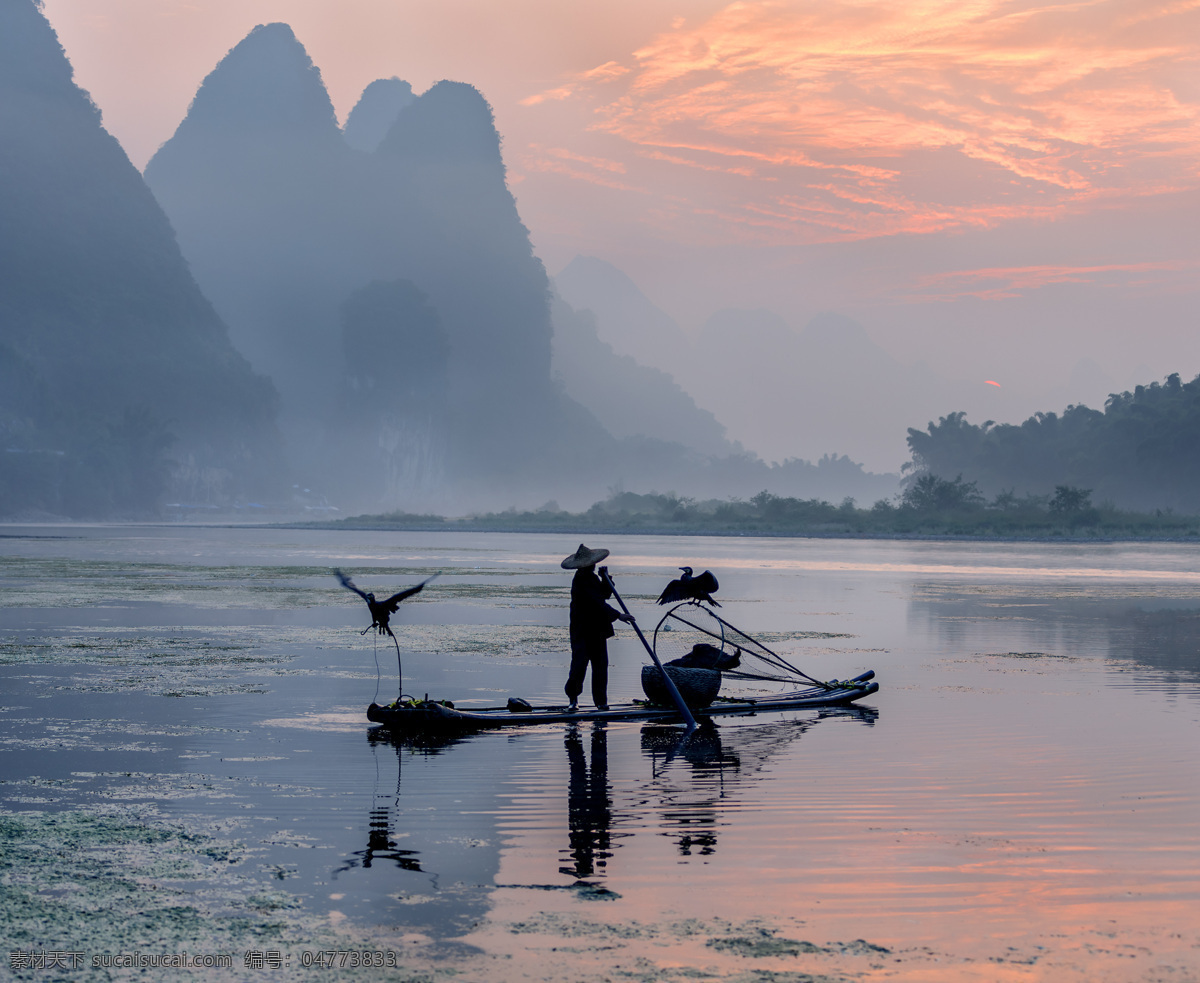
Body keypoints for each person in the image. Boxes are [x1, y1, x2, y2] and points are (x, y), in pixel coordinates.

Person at [561, 544, 632, 711]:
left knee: (600, 667)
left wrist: (606, 578)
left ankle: (601, 702)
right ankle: (573, 700)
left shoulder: (592, 578)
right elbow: (597, 603)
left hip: (598, 631)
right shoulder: (580, 580)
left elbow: (605, 595)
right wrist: (618, 616)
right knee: (579, 666)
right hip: (582, 630)